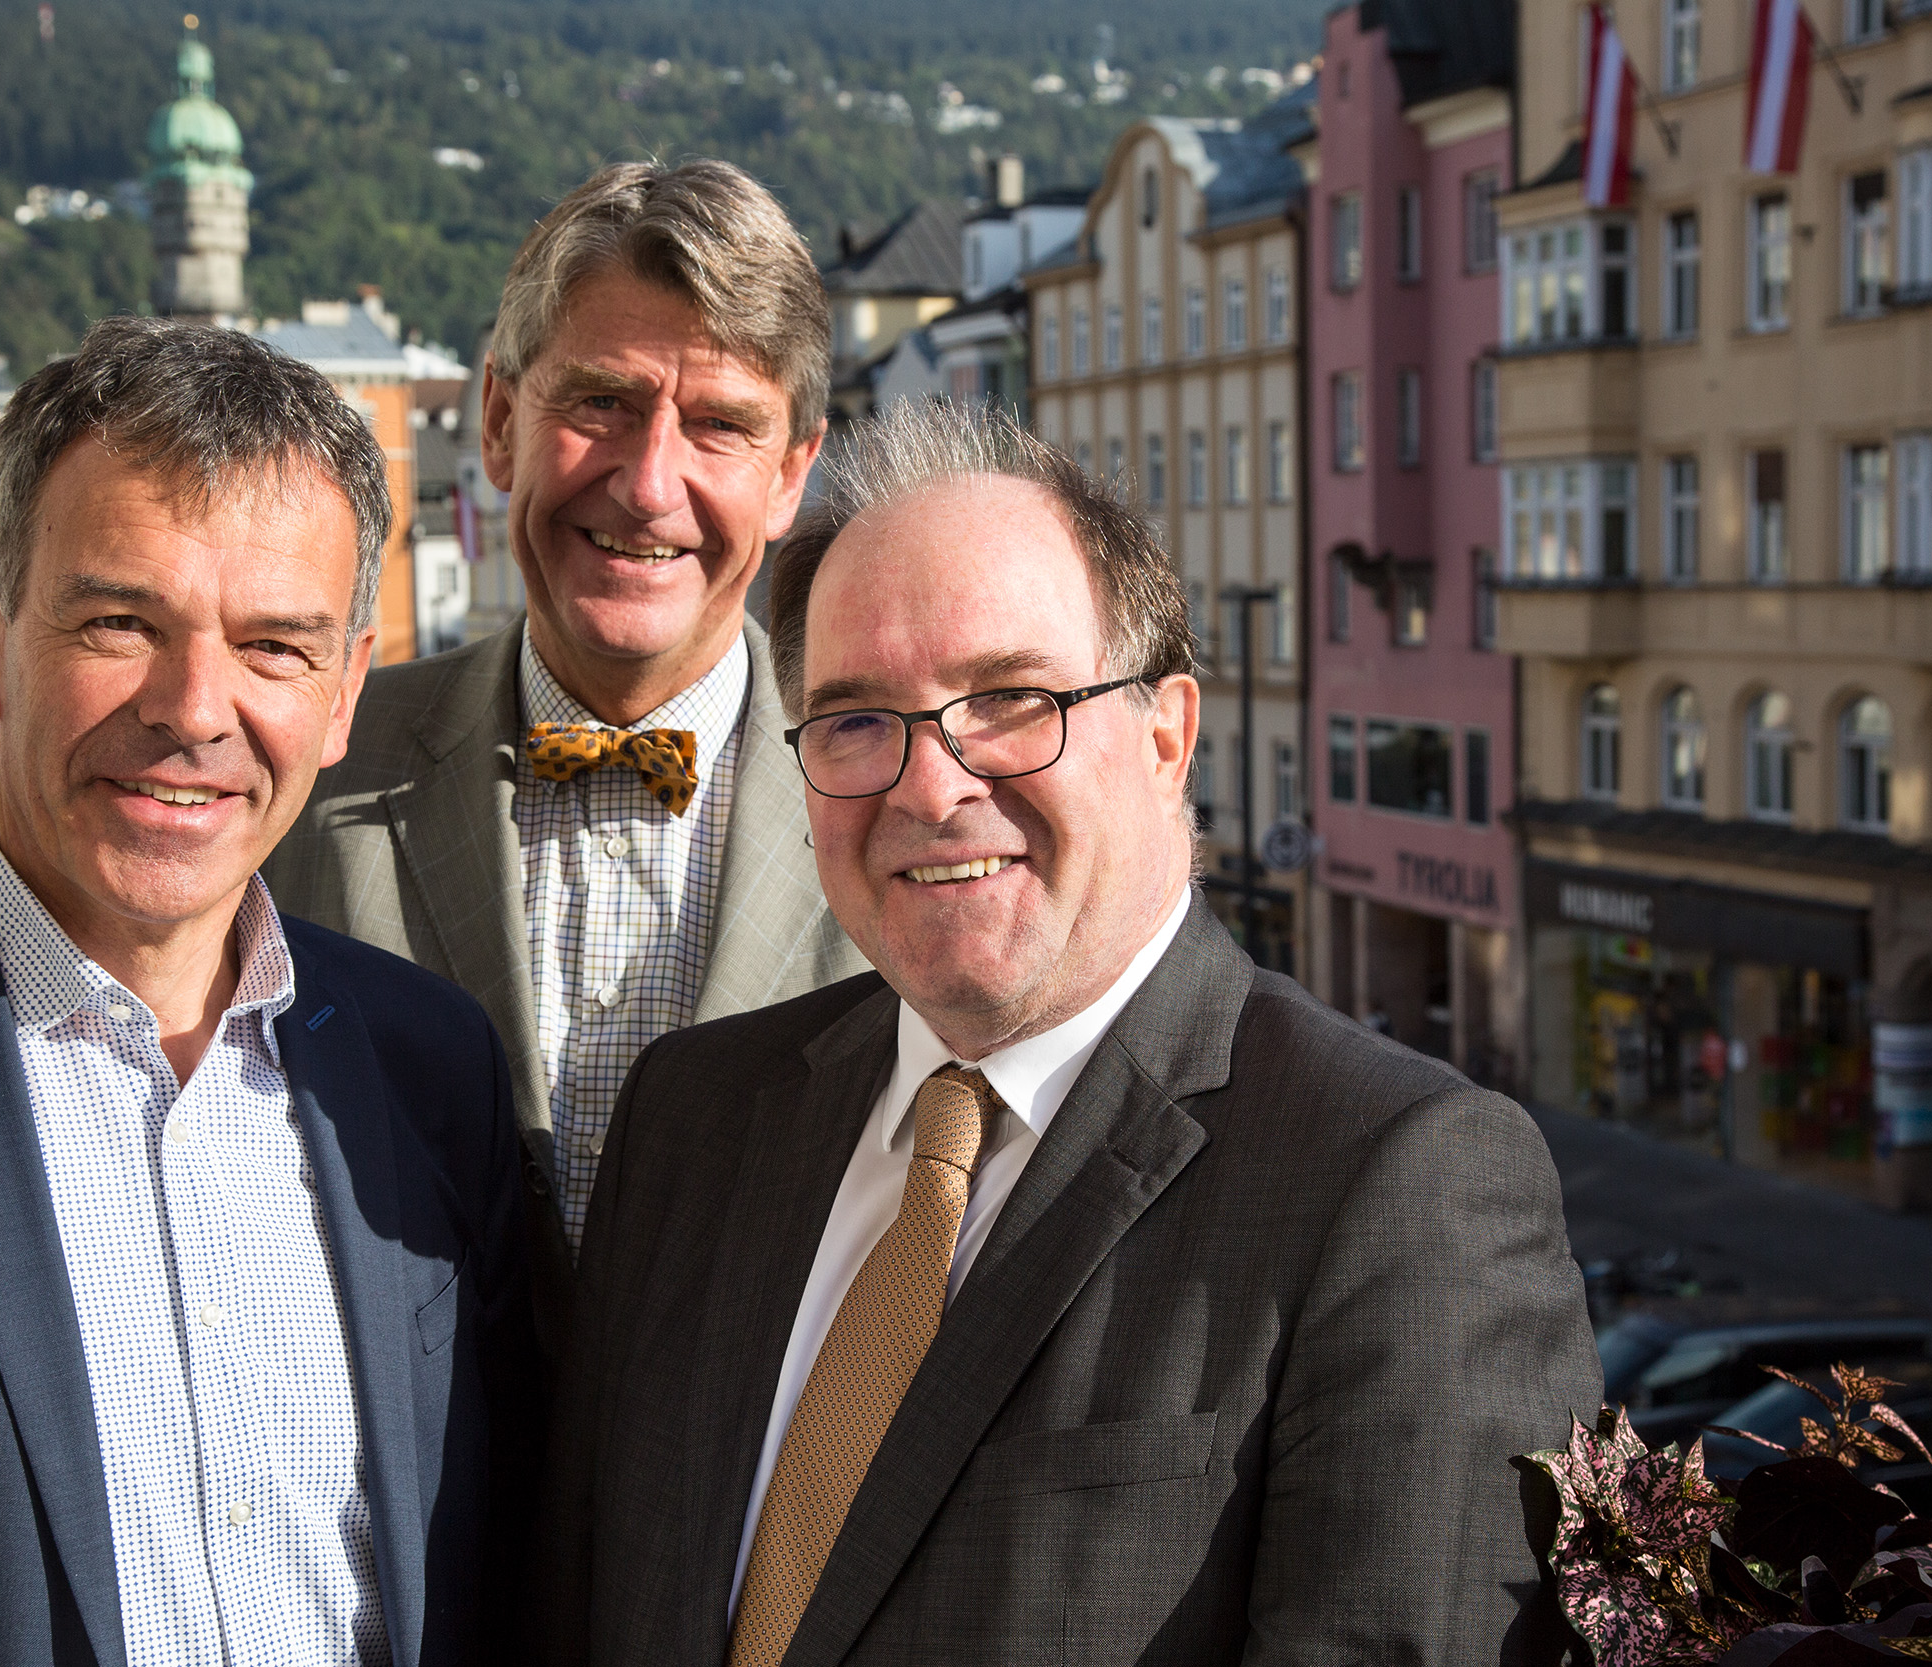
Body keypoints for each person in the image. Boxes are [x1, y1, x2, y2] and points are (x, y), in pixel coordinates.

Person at [543, 403, 1601, 1666]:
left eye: (1008, 699)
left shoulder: (1397, 1180)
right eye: (855, 719)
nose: (930, 784)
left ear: (1166, 737)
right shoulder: (696, 1115)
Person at [0, 318, 536, 1666]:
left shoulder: (425, 1067)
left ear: (344, 693)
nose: (195, 706)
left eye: (277, 644)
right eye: (120, 620)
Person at [266, 159, 868, 1342]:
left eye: (719, 426)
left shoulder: (894, 795)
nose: (648, 484)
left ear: (794, 471)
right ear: (498, 422)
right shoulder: (308, 763)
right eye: (600, 401)